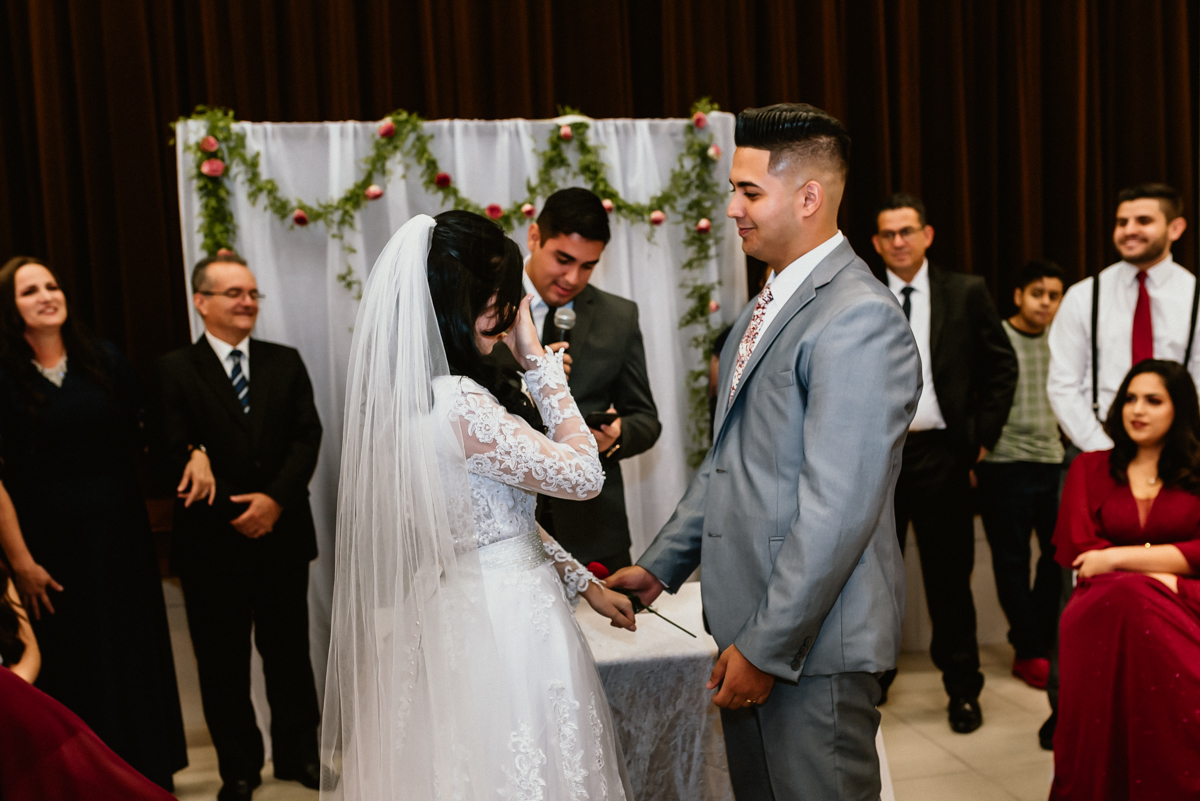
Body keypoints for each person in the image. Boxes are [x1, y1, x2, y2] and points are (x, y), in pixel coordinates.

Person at [609, 103, 920, 800]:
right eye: (733, 190)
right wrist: (661, 565)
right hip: (753, 627)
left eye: (749, 192)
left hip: (810, 643)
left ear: (808, 197)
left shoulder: (858, 317)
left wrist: (766, 645)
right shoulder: (761, 309)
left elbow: (838, 508)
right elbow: (732, 461)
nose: (732, 209)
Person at [320, 211, 637, 800]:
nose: (513, 312)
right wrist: (538, 361)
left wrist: (582, 581)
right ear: (476, 299)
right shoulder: (460, 403)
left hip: (460, 606)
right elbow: (585, 475)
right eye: (506, 298)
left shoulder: (409, 402)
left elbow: (501, 521)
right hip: (505, 623)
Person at [0, 256, 187, 789]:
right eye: (29, 290)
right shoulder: (3, 376)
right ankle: (85, 781)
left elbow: (149, 432)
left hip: (121, 534)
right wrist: (21, 563)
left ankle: (146, 774)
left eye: (52, 285)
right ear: (9, 308)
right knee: (76, 659)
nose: (46, 296)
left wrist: (195, 452)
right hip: (48, 546)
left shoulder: (103, 359)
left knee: (132, 651)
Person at [152, 253, 323, 801]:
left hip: (282, 533)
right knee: (222, 663)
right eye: (234, 293)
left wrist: (273, 501)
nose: (247, 302)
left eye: (252, 293)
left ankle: (298, 755)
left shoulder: (284, 361)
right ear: (200, 301)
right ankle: (240, 769)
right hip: (212, 542)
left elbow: (307, 436)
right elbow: (169, 449)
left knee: (289, 654)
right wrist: (236, 508)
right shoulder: (175, 369)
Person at [871, 193, 1018, 732]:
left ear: (927, 234)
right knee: (873, 578)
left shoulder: (966, 291)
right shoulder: (860, 293)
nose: (899, 242)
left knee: (949, 580)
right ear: (875, 242)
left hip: (942, 455)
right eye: (888, 234)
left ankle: (962, 689)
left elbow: (1002, 368)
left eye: (907, 231)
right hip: (874, 458)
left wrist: (980, 440)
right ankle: (874, 676)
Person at [487, 187, 661, 573]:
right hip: (506, 528)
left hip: (594, 531)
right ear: (535, 237)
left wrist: (616, 436)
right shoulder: (487, 302)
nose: (572, 278)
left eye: (588, 266)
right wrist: (528, 371)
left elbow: (646, 419)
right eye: (563, 259)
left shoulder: (618, 317)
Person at [1050, 359, 1200, 800]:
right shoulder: (1088, 468)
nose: (1138, 410)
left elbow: (1105, 559)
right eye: (1130, 398)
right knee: (1126, 596)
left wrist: (1119, 557)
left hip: (1188, 601)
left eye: (1154, 401)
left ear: (1179, 409)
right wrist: (1162, 574)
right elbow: (1084, 553)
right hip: (1103, 608)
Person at [1048, 183, 1193, 454]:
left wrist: (1180, 442)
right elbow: (1063, 385)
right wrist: (1103, 448)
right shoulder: (1084, 296)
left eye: (1143, 221)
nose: (1129, 230)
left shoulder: (1195, 296)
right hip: (1095, 442)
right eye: (1122, 222)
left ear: (1175, 228)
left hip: (1178, 448)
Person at [975, 261, 1066, 690]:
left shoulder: (1064, 340)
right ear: (1018, 295)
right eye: (1037, 293)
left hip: (1053, 461)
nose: (1045, 303)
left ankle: (1042, 640)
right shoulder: (996, 337)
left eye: (1053, 295)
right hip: (1004, 463)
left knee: (1057, 556)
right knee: (1012, 561)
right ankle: (1028, 650)